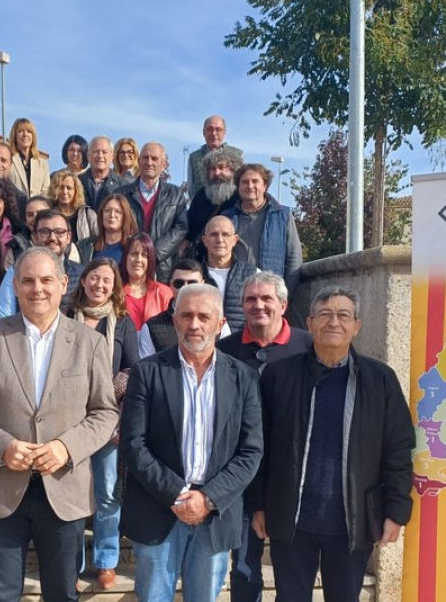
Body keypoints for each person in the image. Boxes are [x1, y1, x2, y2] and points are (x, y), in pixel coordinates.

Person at [0, 247, 118, 602]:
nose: (36, 289)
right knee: (2, 596)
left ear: (63, 284)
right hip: (0, 490)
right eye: (27, 281)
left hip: (64, 490)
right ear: (15, 287)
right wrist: (2, 447)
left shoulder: (90, 342)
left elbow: (105, 412)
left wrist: (66, 448)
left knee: (61, 595)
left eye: (45, 280)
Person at [250, 287, 414, 602]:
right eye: (324, 315)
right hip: (292, 518)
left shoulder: (380, 380)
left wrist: (396, 510)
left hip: (351, 522)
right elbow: (261, 446)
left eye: (343, 315)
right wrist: (258, 504)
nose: (333, 322)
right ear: (309, 323)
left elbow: (397, 449)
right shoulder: (279, 375)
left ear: (357, 326)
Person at [118, 283, 263, 602]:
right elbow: (132, 443)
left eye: (203, 316)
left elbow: (250, 452)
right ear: (174, 321)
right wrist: (178, 494)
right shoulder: (147, 372)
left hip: (215, 515)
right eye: (186, 315)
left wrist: (207, 498)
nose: (194, 324)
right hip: (157, 508)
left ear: (220, 322)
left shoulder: (243, 378)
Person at [215, 271, 313, 602]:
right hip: (241, 479)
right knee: (243, 569)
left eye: (267, 298)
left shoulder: (307, 347)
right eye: (251, 299)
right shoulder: (223, 351)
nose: (259, 305)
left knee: (292, 571)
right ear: (241, 306)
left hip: (293, 476)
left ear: (283, 305)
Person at [67, 258, 140, 591]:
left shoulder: (123, 323)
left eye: (107, 280)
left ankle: (106, 560)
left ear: (115, 287)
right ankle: (72, 561)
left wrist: (104, 393)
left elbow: (133, 370)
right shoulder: (64, 317)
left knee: (108, 493)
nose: (99, 285)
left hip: (107, 420)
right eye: (94, 278)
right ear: (83, 281)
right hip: (66, 421)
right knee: (70, 492)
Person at [222, 163, 304, 300]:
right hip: (235, 293)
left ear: (265, 185)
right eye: (244, 182)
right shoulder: (226, 217)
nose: (250, 186)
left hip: (270, 293)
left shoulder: (283, 215)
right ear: (238, 187)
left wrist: (285, 297)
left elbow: (294, 258)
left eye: (255, 181)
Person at [0, 209, 85, 318]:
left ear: (68, 237)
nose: (52, 238)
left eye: (59, 232)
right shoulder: (17, 270)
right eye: (45, 232)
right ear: (34, 236)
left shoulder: (83, 274)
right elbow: (5, 316)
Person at [120, 141, 187, 280]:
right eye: (145, 157)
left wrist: (153, 254)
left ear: (164, 164)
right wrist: (135, 253)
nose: (149, 162)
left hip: (163, 268)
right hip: (129, 265)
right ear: (138, 161)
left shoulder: (176, 194)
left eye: (154, 158)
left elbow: (181, 227)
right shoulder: (122, 194)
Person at [138, 259, 228, 359]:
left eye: (192, 283)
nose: (185, 288)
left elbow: (226, 364)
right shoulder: (151, 327)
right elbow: (147, 369)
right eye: (179, 283)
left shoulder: (218, 323)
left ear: (203, 283)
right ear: (170, 285)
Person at [200, 215, 258, 333]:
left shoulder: (253, 275)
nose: (220, 240)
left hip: (240, 346)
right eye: (214, 234)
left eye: (225, 234)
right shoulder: (194, 275)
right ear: (204, 240)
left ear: (235, 240)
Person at [185, 146, 242, 250]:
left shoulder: (241, 196)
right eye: (212, 169)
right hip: (202, 259)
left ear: (233, 170)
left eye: (221, 167)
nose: (217, 173)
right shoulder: (201, 196)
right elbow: (190, 227)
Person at [120, 233, 174, 330]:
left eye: (144, 255)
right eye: (134, 253)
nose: (138, 259)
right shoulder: (115, 293)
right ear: (125, 258)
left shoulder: (164, 293)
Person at [187, 115, 244, 198]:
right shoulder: (193, 158)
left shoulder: (237, 155)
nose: (214, 133)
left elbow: (243, 184)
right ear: (204, 132)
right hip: (202, 207)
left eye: (218, 130)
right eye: (210, 129)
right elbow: (191, 188)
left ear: (224, 132)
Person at [74, 193, 138, 265]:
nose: (112, 215)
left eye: (118, 211)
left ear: (125, 216)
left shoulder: (133, 246)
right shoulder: (85, 246)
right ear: (101, 215)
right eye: (107, 210)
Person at [49, 169, 97, 244]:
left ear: (76, 191)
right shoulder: (48, 214)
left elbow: (98, 239)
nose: (64, 192)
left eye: (69, 188)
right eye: (61, 187)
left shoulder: (87, 214)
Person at [7, 117, 51, 197]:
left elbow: (46, 191)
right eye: (20, 131)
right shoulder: (8, 160)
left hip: (38, 208)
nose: (25, 134)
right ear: (14, 136)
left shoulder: (42, 163)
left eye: (29, 131)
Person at [80, 135, 125, 210]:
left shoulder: (124, 186)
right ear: (88, 156)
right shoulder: (76, 182)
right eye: (96, 152)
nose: (100, 156)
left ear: (112, 156)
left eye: (104, 152)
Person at [5, 195, 53, 267]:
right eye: (30, 215)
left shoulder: (62, 243)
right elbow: (9, 276)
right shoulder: (16, 247)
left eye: (40, 213)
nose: (35, 218)